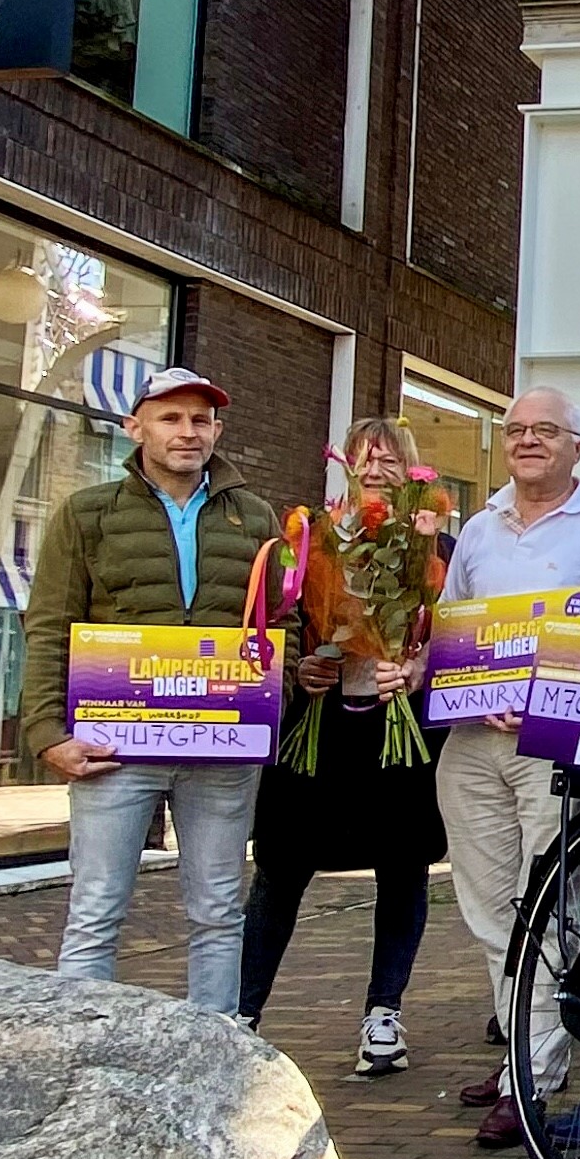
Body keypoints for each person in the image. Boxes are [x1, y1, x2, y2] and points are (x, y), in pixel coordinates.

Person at [22, 367, 282, 1014]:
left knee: (219, 912)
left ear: (217, 430)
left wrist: (276, 695)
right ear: (135, 428)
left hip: (222, 749)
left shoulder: (255, 517)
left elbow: (283, 622)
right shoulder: (88, 514)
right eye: (170, 418)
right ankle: (79, 1048)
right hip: (113, 748)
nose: (187, 432)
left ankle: (217, 1049)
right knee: (95, 910)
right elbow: (50, 624)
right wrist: (47, 734)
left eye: (200, 420)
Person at [433, 388, 580, 1149]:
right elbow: (453, 628)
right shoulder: (479, 530)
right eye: (515, 429)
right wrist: (453, 678)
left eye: (545, 430)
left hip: (556, 746)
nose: (526, 441)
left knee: (546, 908)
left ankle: (533, 1075)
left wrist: (552, 693)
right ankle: (522, 1045)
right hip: (473, 746)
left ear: (577, 447)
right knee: (490, 914)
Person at [237, 417, 447, 1072]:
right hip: (319, 724)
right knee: (280, 866)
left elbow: (456, 631)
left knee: (402, 866)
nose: (375, 468)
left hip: (397, 727)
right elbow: (276, 626)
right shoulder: (310, 541)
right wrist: (300, 666)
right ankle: (243, 1011)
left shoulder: (433, 543)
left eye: (389, 459)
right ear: (346, 466)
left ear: (410, 470)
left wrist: (417, 667)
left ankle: (384, 1014)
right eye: (363, 457)